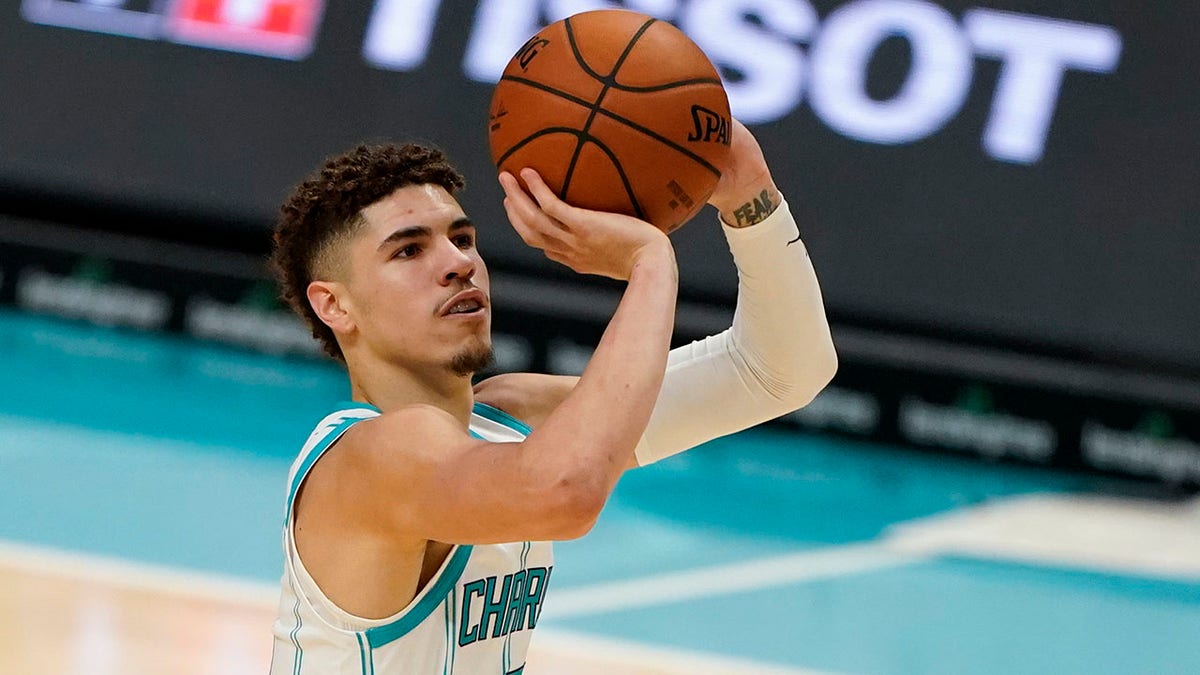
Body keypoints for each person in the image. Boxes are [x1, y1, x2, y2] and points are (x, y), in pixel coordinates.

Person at [267, 120, 837, 674]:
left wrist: (750, 197)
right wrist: (649, 264)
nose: (460, 263)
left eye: (462, 238)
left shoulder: (510, 417)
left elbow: (778, 372)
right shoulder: (378, 454)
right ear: (334, 306)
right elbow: (566, 492)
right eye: (409, 251)